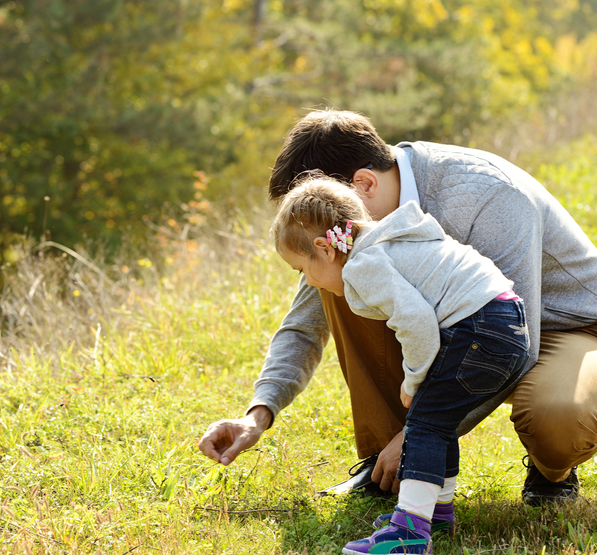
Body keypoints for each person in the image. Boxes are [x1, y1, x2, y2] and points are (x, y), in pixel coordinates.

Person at [198, 109, 597, 505]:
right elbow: (304, 325)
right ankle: (385, 466)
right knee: (337, 286)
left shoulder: (489, 195)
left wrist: (420, 432)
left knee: (558, 419)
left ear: (364, 183)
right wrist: (258, 415)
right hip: (465, 324)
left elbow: (518, 340)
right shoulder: (346, 243)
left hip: (565, 326)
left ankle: (551, 473)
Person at [272, 175, 530, 553]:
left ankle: (408, 533)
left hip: (480, 327)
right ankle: (436, 513)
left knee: (423, 423)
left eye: (302, 270)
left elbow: (416, 322)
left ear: (325, 250)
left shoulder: (363, 264)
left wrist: (413, 381)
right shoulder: (392, 240)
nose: (310, 282)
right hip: (506, 322)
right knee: (439, 421)